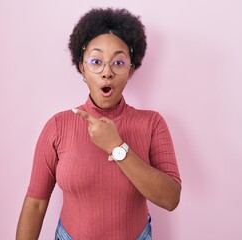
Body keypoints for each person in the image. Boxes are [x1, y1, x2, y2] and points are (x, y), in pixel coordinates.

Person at [16, 7, 181, 240]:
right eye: (96, 61)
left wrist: (117, 147)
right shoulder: (57, 126)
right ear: (82, 67)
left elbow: (171, 199)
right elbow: (35, 204)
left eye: (119, 63)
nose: (107, 73)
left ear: (131, 70)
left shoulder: (152, 124)